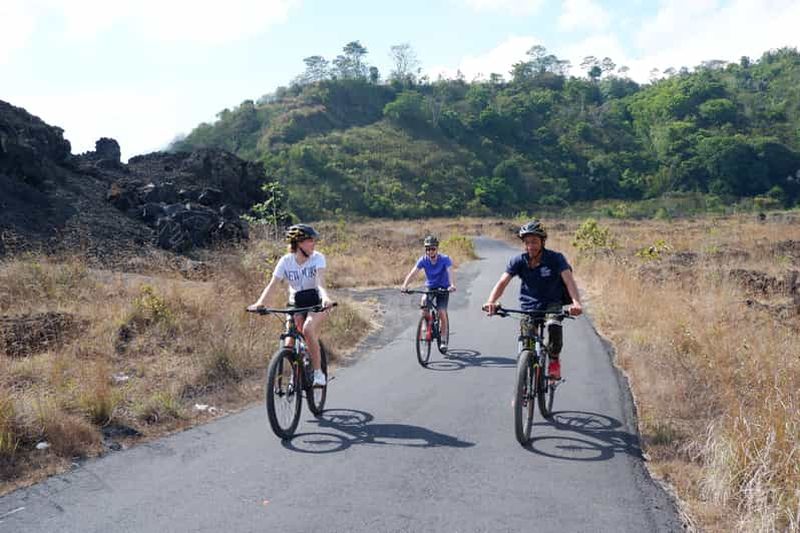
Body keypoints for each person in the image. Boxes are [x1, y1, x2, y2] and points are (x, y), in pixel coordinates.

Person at [482, 220, 582, 380]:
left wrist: (576, 303)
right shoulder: (519, 261)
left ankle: (554, 360)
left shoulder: (556, 259)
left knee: (553, 326)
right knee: (527, 340)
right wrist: (491, 301)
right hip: (528, 306)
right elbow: (502, 282)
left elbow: (569, 280)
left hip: (551, 304)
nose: (531, 246)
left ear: (542, 241)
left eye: (534, 241)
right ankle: (525, 379)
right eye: (527, 242)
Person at [248, 224, 334, 386]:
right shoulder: (286, 261)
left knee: (308, 330)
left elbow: (320, 282)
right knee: (289, 342)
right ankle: (296, 373)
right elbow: (273, 284)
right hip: (295, 304)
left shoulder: (318, 258)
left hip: (316, 303)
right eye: (310, 240)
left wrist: (325, 298)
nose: (314, 244)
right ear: (299, 243)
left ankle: (318, 373)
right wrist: (260, 303)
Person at [401, 235, 456, 351]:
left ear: (437, 249)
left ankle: (443, 339)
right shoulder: (423, 260)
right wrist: (405, 285)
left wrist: (451, 285)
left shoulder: (445, 259)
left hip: (443, 288)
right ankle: (425, 325)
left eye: (432, 249)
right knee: (424, 301)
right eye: (428, 249)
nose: (430, 251)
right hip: (430, 287)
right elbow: (413, 273)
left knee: (441, 312)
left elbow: (450, 272)